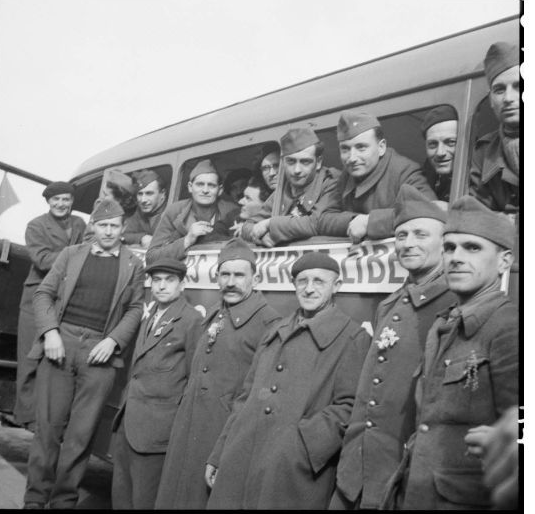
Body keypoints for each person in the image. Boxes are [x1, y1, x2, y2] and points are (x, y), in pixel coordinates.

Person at [382, 195, 518, 510]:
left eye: (472, 248)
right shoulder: (445, 324)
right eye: (449, 247)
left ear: (504, 261)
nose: (455, 257)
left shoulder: (508, 328)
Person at [205, 252, 370, 509]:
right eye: (302, 281)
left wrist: (299, 447)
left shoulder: (352, 338)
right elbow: (245, 396)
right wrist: (219, 454)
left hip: (291, 471)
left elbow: (349, 407)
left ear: (336, 286)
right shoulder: (275, 330)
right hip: (240, 458)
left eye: (319, 281)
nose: (309, 288)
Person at [330, 185, 455, 509]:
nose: (408, 243)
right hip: (355, 476)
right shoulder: (390, 304)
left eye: (420, 234)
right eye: (401, 236)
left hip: (403, 481)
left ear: (444, 242)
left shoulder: (454, 305)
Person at [23, 199, 144, 510]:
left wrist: (115, 341)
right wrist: (50, 332)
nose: (108, 231)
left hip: (100, 352)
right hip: (60, 344)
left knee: (82, 433)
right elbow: (43, 294)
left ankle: (64, 500)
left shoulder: (133, 264)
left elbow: (135, 308)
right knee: (48, 428)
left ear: (123, 228)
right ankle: (35, 499)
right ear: (93, 226)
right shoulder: (70, 254)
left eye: (114, 226)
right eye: (102, 225)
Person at [154, 239, 281, 510]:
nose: (231, 282)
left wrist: (226, 452)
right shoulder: (215, 313)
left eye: (239, 275)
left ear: (255, 278)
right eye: (225, 274)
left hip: (221, 436)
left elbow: (255, 397)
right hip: (187, 431)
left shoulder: (269, 323)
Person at [111, 256, 204, 509]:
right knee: (121, 496)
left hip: (156, 431)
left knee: (144, 500)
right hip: (128, 422)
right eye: (157, 280)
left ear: (182, 285)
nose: (162, 286)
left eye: (170, 280)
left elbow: (193, 380)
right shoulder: (151, 312)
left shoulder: (190, 320)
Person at [14, 181, 86, 428]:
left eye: (66, 199)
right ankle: (26, 417)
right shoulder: (35, 225)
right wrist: (76, 255)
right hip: (37, 297)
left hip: (64, 299)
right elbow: (42, 260)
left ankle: (47, 418)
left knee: (54, 361)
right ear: (48, 201)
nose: (61, 204)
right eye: (56, 200)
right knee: (29, 359)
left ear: (72, 201)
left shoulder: (79, 224)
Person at [319, 110, 436, 242]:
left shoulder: (404, 171)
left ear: (381, 147)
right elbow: (325, 219)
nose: (352, 158)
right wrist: (355, 220)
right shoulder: (347, 175)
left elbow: (429, 211)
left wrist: (370, 222)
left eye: (361, 148)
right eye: (345, 149)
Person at [242, 127, 340, 247]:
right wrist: (260, 236)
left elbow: (316, 223)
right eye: (291, 162)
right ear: (283, 162)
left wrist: (270, 224)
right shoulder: (282, 191)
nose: (296, 170)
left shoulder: (330, 182)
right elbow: (248, 225)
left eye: (305, 162)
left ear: (318, 162)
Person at [146, 159, 239, 261]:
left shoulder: (231, 211)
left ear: (220, 190)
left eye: (211, 185)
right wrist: (187, 240)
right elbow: (151, 257)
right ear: (190, 187)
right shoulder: (175, 211)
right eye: (200, 184)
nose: (205, 190)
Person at [470, 42, 520, 212]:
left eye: (518, 86)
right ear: (491, 100)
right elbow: (479, 215)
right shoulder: (484, 152)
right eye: (499, 90)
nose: (508, 98)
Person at [121, 169, 167, 248]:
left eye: (149, 193)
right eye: (140, 194)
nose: (143, 200)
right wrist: (142, 237)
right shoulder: (138, 212)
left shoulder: (173, 211)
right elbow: (122, 233)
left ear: (162, 194)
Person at [421, 105, 458, 201]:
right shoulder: (422, 177)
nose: (440, 153)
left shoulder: (480, 179)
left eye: (450, 142)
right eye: (433, 144)